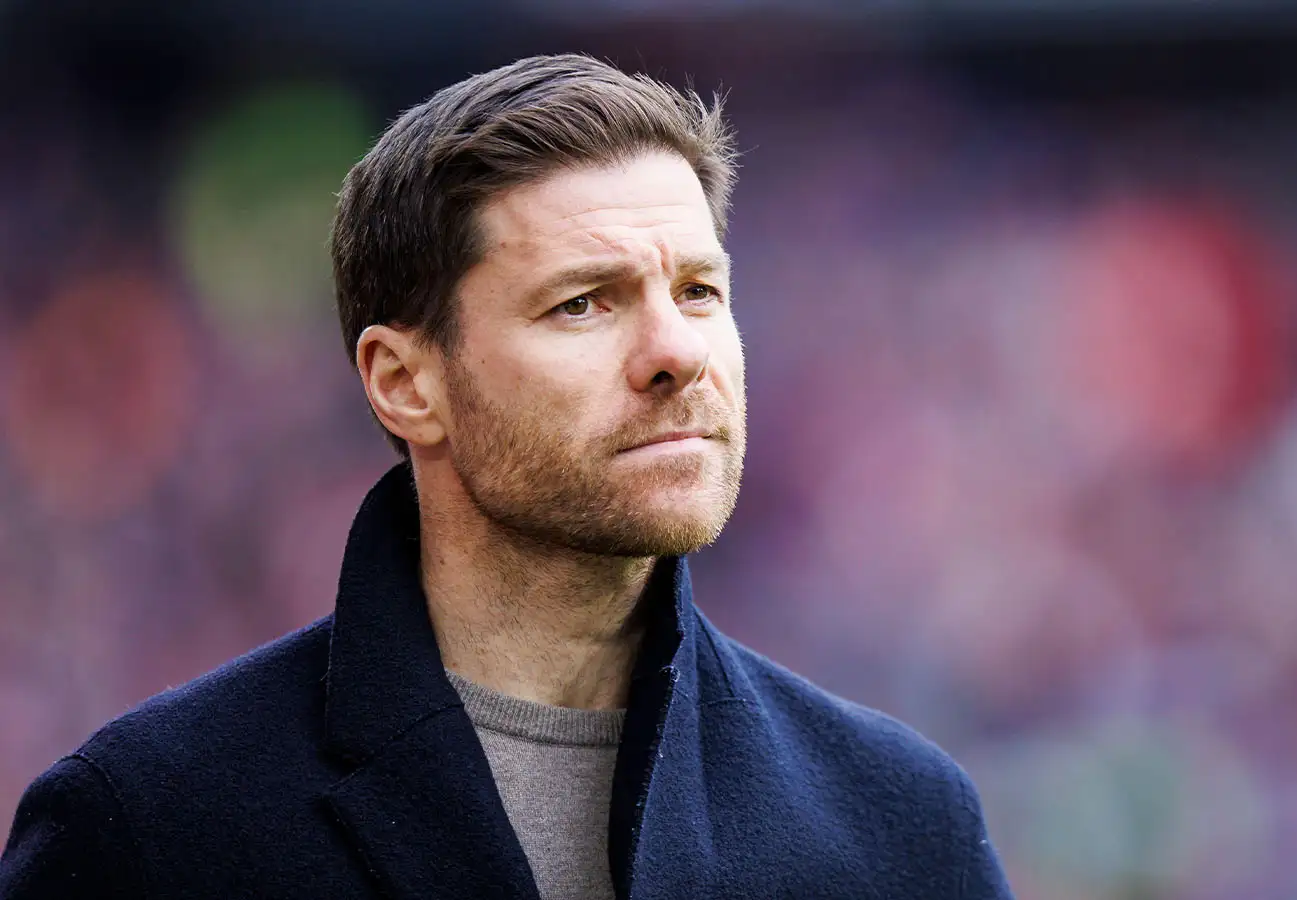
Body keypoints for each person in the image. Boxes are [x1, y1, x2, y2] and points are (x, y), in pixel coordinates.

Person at [0, 54, 1012, 899]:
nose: (676, 351)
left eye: (700, 290)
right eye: (583, 303)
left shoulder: (902, 826)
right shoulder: (151, 829)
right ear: (405, 384)